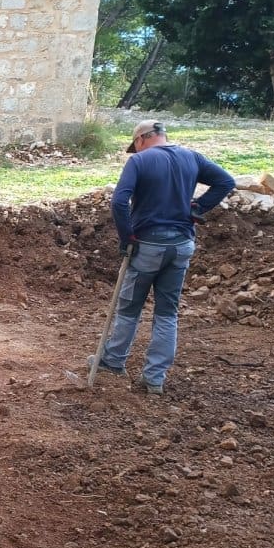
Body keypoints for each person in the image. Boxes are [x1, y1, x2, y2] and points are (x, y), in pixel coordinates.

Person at [92, 120, 235, 394]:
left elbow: (119, 201)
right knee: (167, 313)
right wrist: (198, 208)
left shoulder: (141, 161)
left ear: (142, 139)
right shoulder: (191, 157)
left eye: (135, 146)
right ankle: (155, 378)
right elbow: (225, 181)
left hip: (149, 245)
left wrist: (127, 236)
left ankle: (112, 361)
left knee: (129, 307)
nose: (135, 150)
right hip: (182, 245)